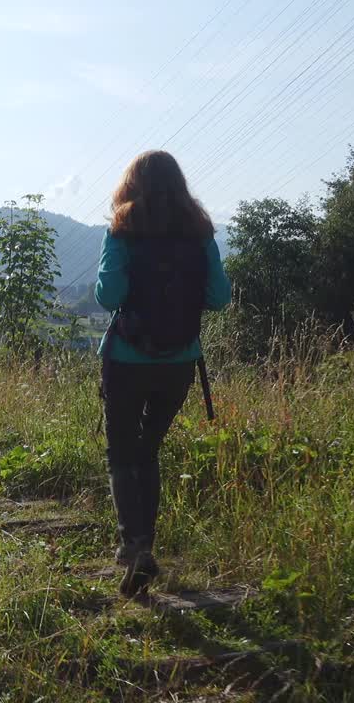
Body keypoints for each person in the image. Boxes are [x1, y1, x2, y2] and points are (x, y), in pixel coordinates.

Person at [94, 150, 231, 598]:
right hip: (179, 363)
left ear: (133, 183)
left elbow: (108, 294)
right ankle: (143, 545)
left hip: (127, 359)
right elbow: (219, 297)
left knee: (121, 451)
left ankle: (135, 549)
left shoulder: (122, 228)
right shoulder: (200, 232)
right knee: (147, 449)